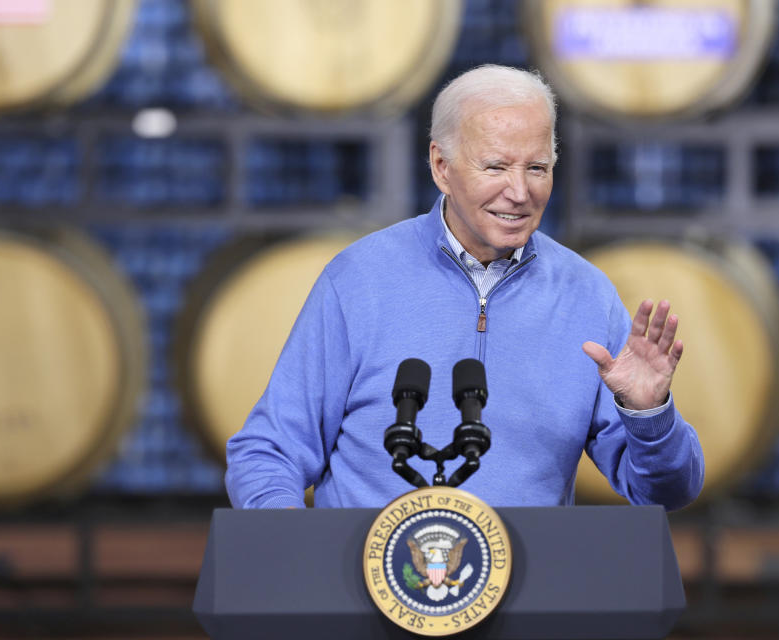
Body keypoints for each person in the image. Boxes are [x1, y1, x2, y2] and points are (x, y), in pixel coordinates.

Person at [225, 65, 704, 511]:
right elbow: (268, 451)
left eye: (536, 168)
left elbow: (666, 491)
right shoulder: (359, 279)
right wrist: (297, 554)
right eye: (495, 167)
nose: (519, 191)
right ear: (441, 166)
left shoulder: (587, 295)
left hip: (527, 593)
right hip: (364, 591)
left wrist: (650, 415)